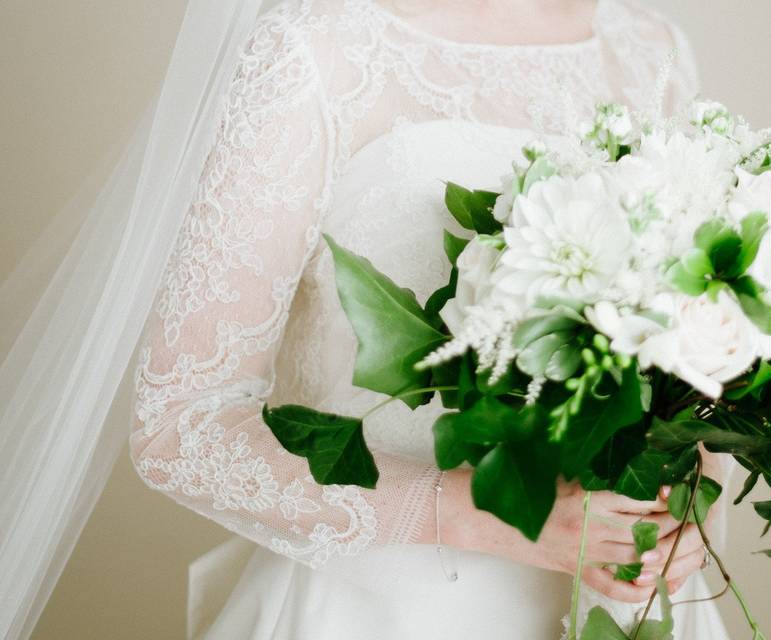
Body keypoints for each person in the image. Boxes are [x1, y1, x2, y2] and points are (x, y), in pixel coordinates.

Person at [125, 0, 732, 637]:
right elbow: (180, 425)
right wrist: (489, 513)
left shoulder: (648, 50)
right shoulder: (316, 48)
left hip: (626, 599)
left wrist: (690, 502)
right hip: (392, 606)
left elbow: (695, 355)